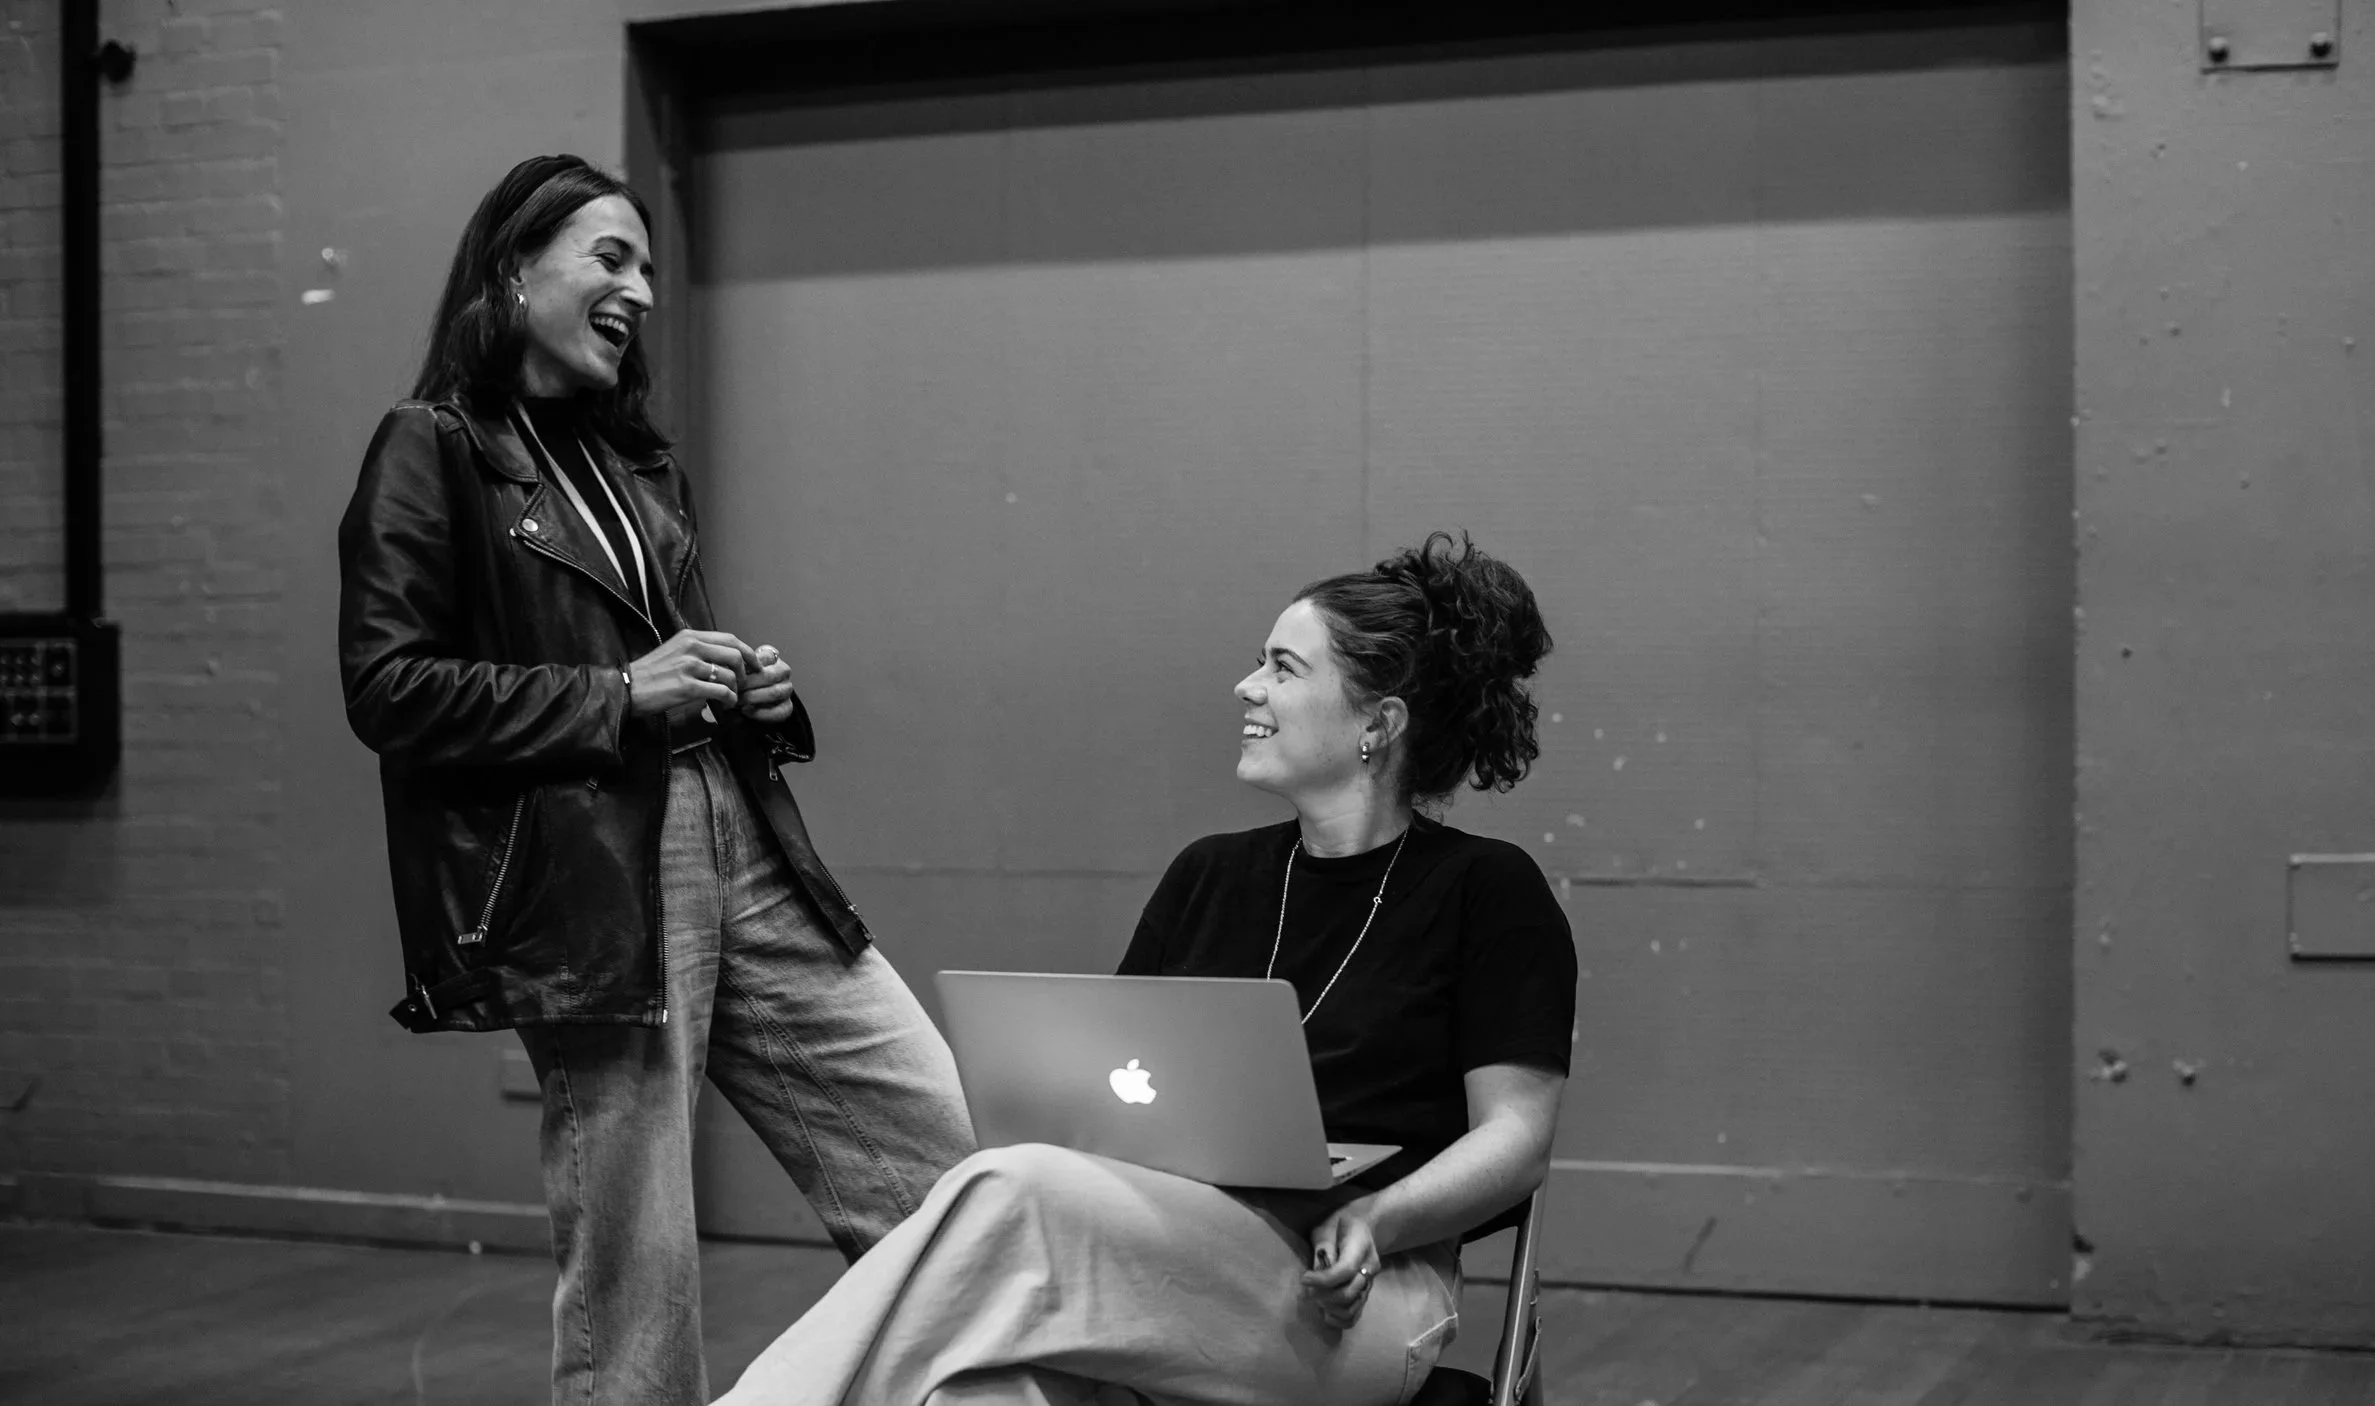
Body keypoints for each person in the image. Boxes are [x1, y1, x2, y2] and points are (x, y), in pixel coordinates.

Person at [335, 154, 975, 1405]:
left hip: (742, 834)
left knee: (949, 1153)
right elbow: (389, 688)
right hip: (594, 882)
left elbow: (669, 659)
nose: (637, 289)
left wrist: (754, 696)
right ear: (515, 271)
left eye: (646, 267)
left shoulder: (642, 468)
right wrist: (622, 694)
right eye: (608, 258)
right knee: (639, 1253)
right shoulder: (432, 449)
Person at [718, 531, 1576, 1406]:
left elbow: (1515, 1144)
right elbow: (1116, 1090)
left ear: (1377, 724)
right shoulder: (1212, 873)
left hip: (1359, 1289)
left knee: (1010, 1188)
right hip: (1161, 1263)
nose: (1247, 687)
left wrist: (1375, 1217)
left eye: (1283, 668)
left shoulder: (1486, 889)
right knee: (978, 1392)